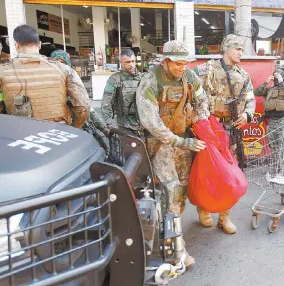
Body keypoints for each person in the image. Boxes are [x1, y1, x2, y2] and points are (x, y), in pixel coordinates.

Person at [136, 40, 209, 267]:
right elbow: (150, 121)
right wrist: (179, 141)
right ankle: (174, 249)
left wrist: (203, 124)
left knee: (182, 192)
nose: (181, 68)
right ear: (165, 61)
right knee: (171, 190)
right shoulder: (150, 80)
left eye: (184, 63)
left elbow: (201, 99)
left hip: (184, 142)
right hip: (162, 145)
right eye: (177, 63)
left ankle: (172, 235)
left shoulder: (189, 77)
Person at [195, 34, 256, 234]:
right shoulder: (207, 69)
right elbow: (191, 90)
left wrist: (247, 114)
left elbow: (250, 99)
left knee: (229, 174)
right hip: (210, 130)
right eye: (237, 49)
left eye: (241, 49)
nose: (241, 52)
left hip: (230, 131)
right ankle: (204, 209)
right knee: (207, 172)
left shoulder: (243, 75)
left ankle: (224, 216)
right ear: (227, 49)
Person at [0, 25, 90, 127]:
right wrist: (74, 129)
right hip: (60, 134)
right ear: (39, 45)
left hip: (20, 134)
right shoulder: (63, 69)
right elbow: (83, 107)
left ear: (16, 45)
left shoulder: (3, 70)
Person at [50, 49, 109, 136]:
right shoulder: (47, 83)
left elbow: (87, 108)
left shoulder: (71, 81)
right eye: (56, 62)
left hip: (76, 126)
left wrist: (104, 129)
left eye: (62, 62)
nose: (59, 66)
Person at [254, 69, 284, 172]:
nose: (276, 78)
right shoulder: (270, 89)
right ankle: (278, 165)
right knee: (273, 144)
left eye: (278, 75)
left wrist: (282, 82)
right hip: (272, 120)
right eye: (275, 76)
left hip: (283, 120)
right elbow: (256, 92)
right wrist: (266, 81)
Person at [101, 49, 143, 137]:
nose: (131, 64)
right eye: (127, 62)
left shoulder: (143, 78)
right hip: (124, 126)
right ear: (121, 62)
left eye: (133, 61)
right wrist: (111, 125)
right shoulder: (115, 79)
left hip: (143, 125)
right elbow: (106, 105)